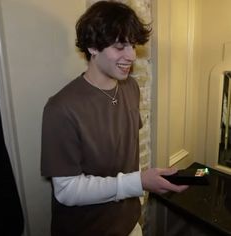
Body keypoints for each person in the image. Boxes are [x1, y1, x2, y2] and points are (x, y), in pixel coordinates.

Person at [41, 1, 188, 236]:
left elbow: (129, 151)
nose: (131, 56)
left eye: (132, 45)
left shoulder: (130, 87)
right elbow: (66, 190)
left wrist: (138, 192)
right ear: (92, 47)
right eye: (120, 46)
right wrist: (138, 182)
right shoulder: (60, 108)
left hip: (130, 224)